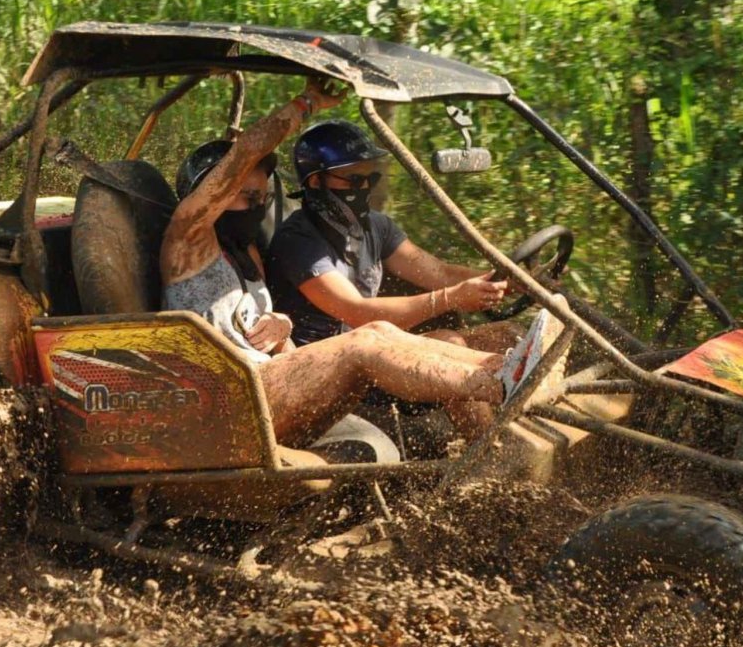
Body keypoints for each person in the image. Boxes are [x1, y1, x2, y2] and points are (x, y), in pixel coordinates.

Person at [158, 77, 544, 448]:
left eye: (260, 197)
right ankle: (499, 378)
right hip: (226, 404)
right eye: (243, 196)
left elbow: (272, 342)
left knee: (382, 333)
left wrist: (282, 326)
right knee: (367, 338)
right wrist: (304, 104)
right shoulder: (187, 244)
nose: (256, 206)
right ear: (209, 195)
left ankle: (504, 370)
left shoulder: (246, 254)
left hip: (270, 386)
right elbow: (243, 156)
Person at [267, 119, 517, 352]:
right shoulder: (299, 240)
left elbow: (440, 274)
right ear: (315, 182)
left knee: (507, 337)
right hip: (323, 362)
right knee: (448, 342)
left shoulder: (376, 226)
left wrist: (508, 282)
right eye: (353, 180)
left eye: (369, 178)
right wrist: (451, 298)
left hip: (370, 347)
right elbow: (356, 312)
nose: (363, 188)